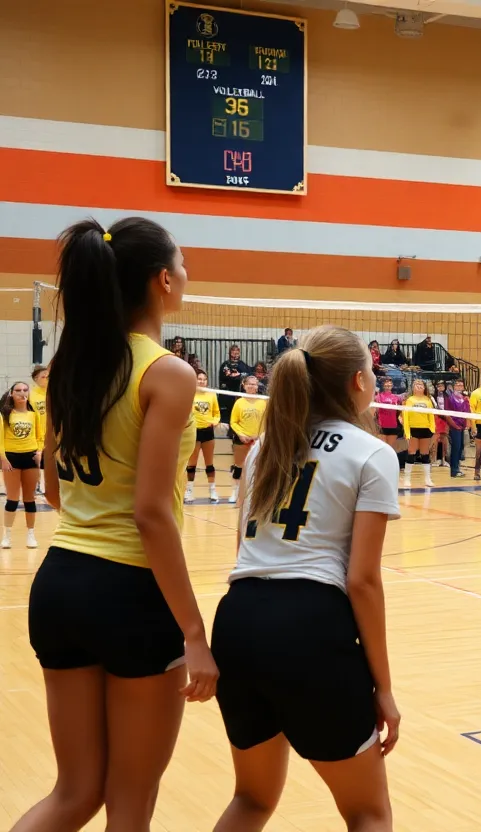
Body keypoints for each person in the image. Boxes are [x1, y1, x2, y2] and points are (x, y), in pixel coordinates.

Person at [16, 217, 217, 831]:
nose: (187, 273)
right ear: (163, 280)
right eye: (182, 263)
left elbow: (52, 488)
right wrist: (194, 633)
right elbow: (151, 513)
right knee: (129, 804)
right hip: (131, 593)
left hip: (58, 586)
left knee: (74, 793)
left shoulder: (72, 367)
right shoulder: (168, 373)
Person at [211, 325, 400, 831]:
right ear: (359, 381)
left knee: (251, 801)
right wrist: (382, 686)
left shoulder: (263, 446)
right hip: (309, 629)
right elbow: (362, 581)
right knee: (368, 812)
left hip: (238, 620)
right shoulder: (372, 452)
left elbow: (242, 552)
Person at [0, 381, 43, 549]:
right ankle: (7, 536)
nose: (22, 393)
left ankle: (31, 535)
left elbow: (40, 436)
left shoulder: (34, 414)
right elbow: (1, 439)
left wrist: (39, 452)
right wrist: (3, 458)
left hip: (30, 457)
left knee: (29, 499)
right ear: (11, 394)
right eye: (18, 390)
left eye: (25, 390)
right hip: (11, 457)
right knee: (12, 498)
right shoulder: (5, 414)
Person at [226, 375, 266, 507]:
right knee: (239, 466)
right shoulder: (239, 402)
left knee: (257, 467)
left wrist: (259, 435)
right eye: (249, 384)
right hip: (242, 439)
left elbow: (266, 422)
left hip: (258, 440)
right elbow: (233, 422)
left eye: (254, 384)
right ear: (244, 385)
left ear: (258, 386)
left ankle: (255, 494)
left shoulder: (263, 402)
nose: (252, 386)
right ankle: (236, 492)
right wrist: (241, 434)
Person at [187, 370, 221, 503]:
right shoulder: (190, 394)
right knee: (192, 464)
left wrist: (215, 421)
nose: (202, 381)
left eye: (204, 379)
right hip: (194, 431)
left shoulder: (211, 395)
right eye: (199, 379)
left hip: (208, 432)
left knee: (209, 464)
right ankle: (189, 490)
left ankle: (212, 489)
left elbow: (216, 413)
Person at [400, 378, 436, 489]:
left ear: (424, 388)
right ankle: (407, 479)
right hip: (413, 429)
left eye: (421, 384)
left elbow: (431, 416)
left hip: (425, 429)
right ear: (413, 388)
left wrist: (432, 429)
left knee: (425, 453)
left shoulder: (428, 400)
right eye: (417, 384)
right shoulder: (410, 400)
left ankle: (427, 479)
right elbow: (405, 417)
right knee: (411, 453)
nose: (419, 386)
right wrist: (407, 431)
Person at [444, 379, 471, 478]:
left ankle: (457, 467)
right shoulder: (450, 398)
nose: (459, 387)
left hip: (462, 427)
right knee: (455, 448)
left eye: (461, 385)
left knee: (460, 448)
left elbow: (467, 411)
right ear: (454, 387)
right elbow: (447, 414)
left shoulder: (464, 399)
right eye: (457, 385)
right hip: (454, 426)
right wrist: (454, 425)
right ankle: (454, 470)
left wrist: (467, 424)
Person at [219, 344, 251, 423]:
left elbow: (249, 373)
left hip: (240, 394)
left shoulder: (242, 364)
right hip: (228, 395)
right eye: (233, 351)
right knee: (228, 417)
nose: (235, 353)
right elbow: (229, 377)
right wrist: (238, 376)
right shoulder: (226, 365)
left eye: (237, 351)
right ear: (230, 353)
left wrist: (239, 375)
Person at [30, 365, 48, 495]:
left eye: (48, 375)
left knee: (52, 464)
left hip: (53, 435)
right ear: (36, 378)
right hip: (36, 436)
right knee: (37, 462)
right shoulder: (30, 395)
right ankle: (36, 486)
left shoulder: (54, 392)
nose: (47, 378)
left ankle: (50, 486)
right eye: (43, 376)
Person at [373, 376, 402, 449]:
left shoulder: (396, 398)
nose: (388, 386)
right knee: (381, 448)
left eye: (389, 385)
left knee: (390, 448)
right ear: (383, 386)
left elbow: (399, 411)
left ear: (392, 386)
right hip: (381, 425)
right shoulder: (378, 397)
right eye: (386, 385)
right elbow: (375, 410)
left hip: (393, 426)